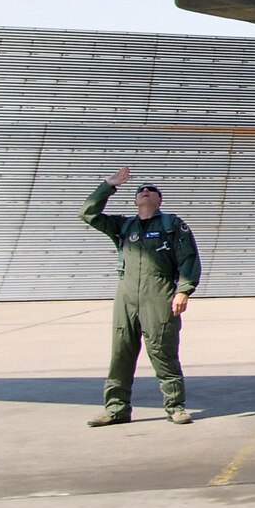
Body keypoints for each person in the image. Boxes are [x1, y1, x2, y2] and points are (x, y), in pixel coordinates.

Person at [80, 167, 204, 426]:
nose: (145, 192)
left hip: (158, 294)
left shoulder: (172, 225)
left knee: (163, 351)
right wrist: (109, 185)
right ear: (135, 200)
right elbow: (88, 214)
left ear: (159, 200)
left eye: (151, 191)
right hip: (126, 296)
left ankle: (175, 406)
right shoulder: (123, 226)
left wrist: (184, 290)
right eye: (141, 190)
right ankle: (116, 409)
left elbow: (189, 258)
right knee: (121, 352)